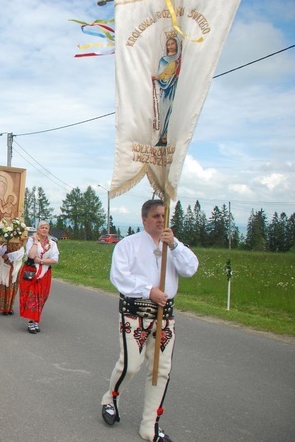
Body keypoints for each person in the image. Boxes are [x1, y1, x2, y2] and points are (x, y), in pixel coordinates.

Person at [100, 199, 198, 442]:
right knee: (131, 365)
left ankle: (150, 425)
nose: (160, 220)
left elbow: (190, 269)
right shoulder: (127, 245)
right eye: (155, 216)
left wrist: (174, 245)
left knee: (161, 371)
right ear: (144, 219)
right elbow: (119, 277)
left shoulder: (174, 246)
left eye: (164, 216)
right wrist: (148, 289)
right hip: (135, 313)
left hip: (165, 316)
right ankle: (111, 398)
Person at [18, 221, 59, 334]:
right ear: (38, 229)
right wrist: (36, 242)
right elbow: (31, 255)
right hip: (31, 272)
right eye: (42, 228)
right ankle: (31, 321)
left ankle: (36, 320)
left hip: (45, 274)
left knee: (41, 297)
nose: (44, 230)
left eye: (46, 228)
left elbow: (55, 259)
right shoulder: (31, 240)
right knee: (31, 296)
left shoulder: (52, 243)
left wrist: (41, 261)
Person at [152, 35, 181, 147]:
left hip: (175, 86)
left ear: (176, 45)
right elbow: (163, 74)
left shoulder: (179, 58)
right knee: (164, 110)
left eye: (172, 44)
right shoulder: (163, 60)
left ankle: (169, 135)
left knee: (174, 109)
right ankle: (163, 135)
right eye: (168, 44)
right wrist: (157, 78)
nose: (170, 46)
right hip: (165, 89)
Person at [0, 240, 25, 315]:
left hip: (15, 266)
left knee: (12, 286)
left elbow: (21, 253)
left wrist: (9, 255)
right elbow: (0, 252)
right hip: (4, 264)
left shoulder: (20, 242)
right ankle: (3, 307)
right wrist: (5, 249)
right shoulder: (4, 243)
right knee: (3, 284)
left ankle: (9, 307)